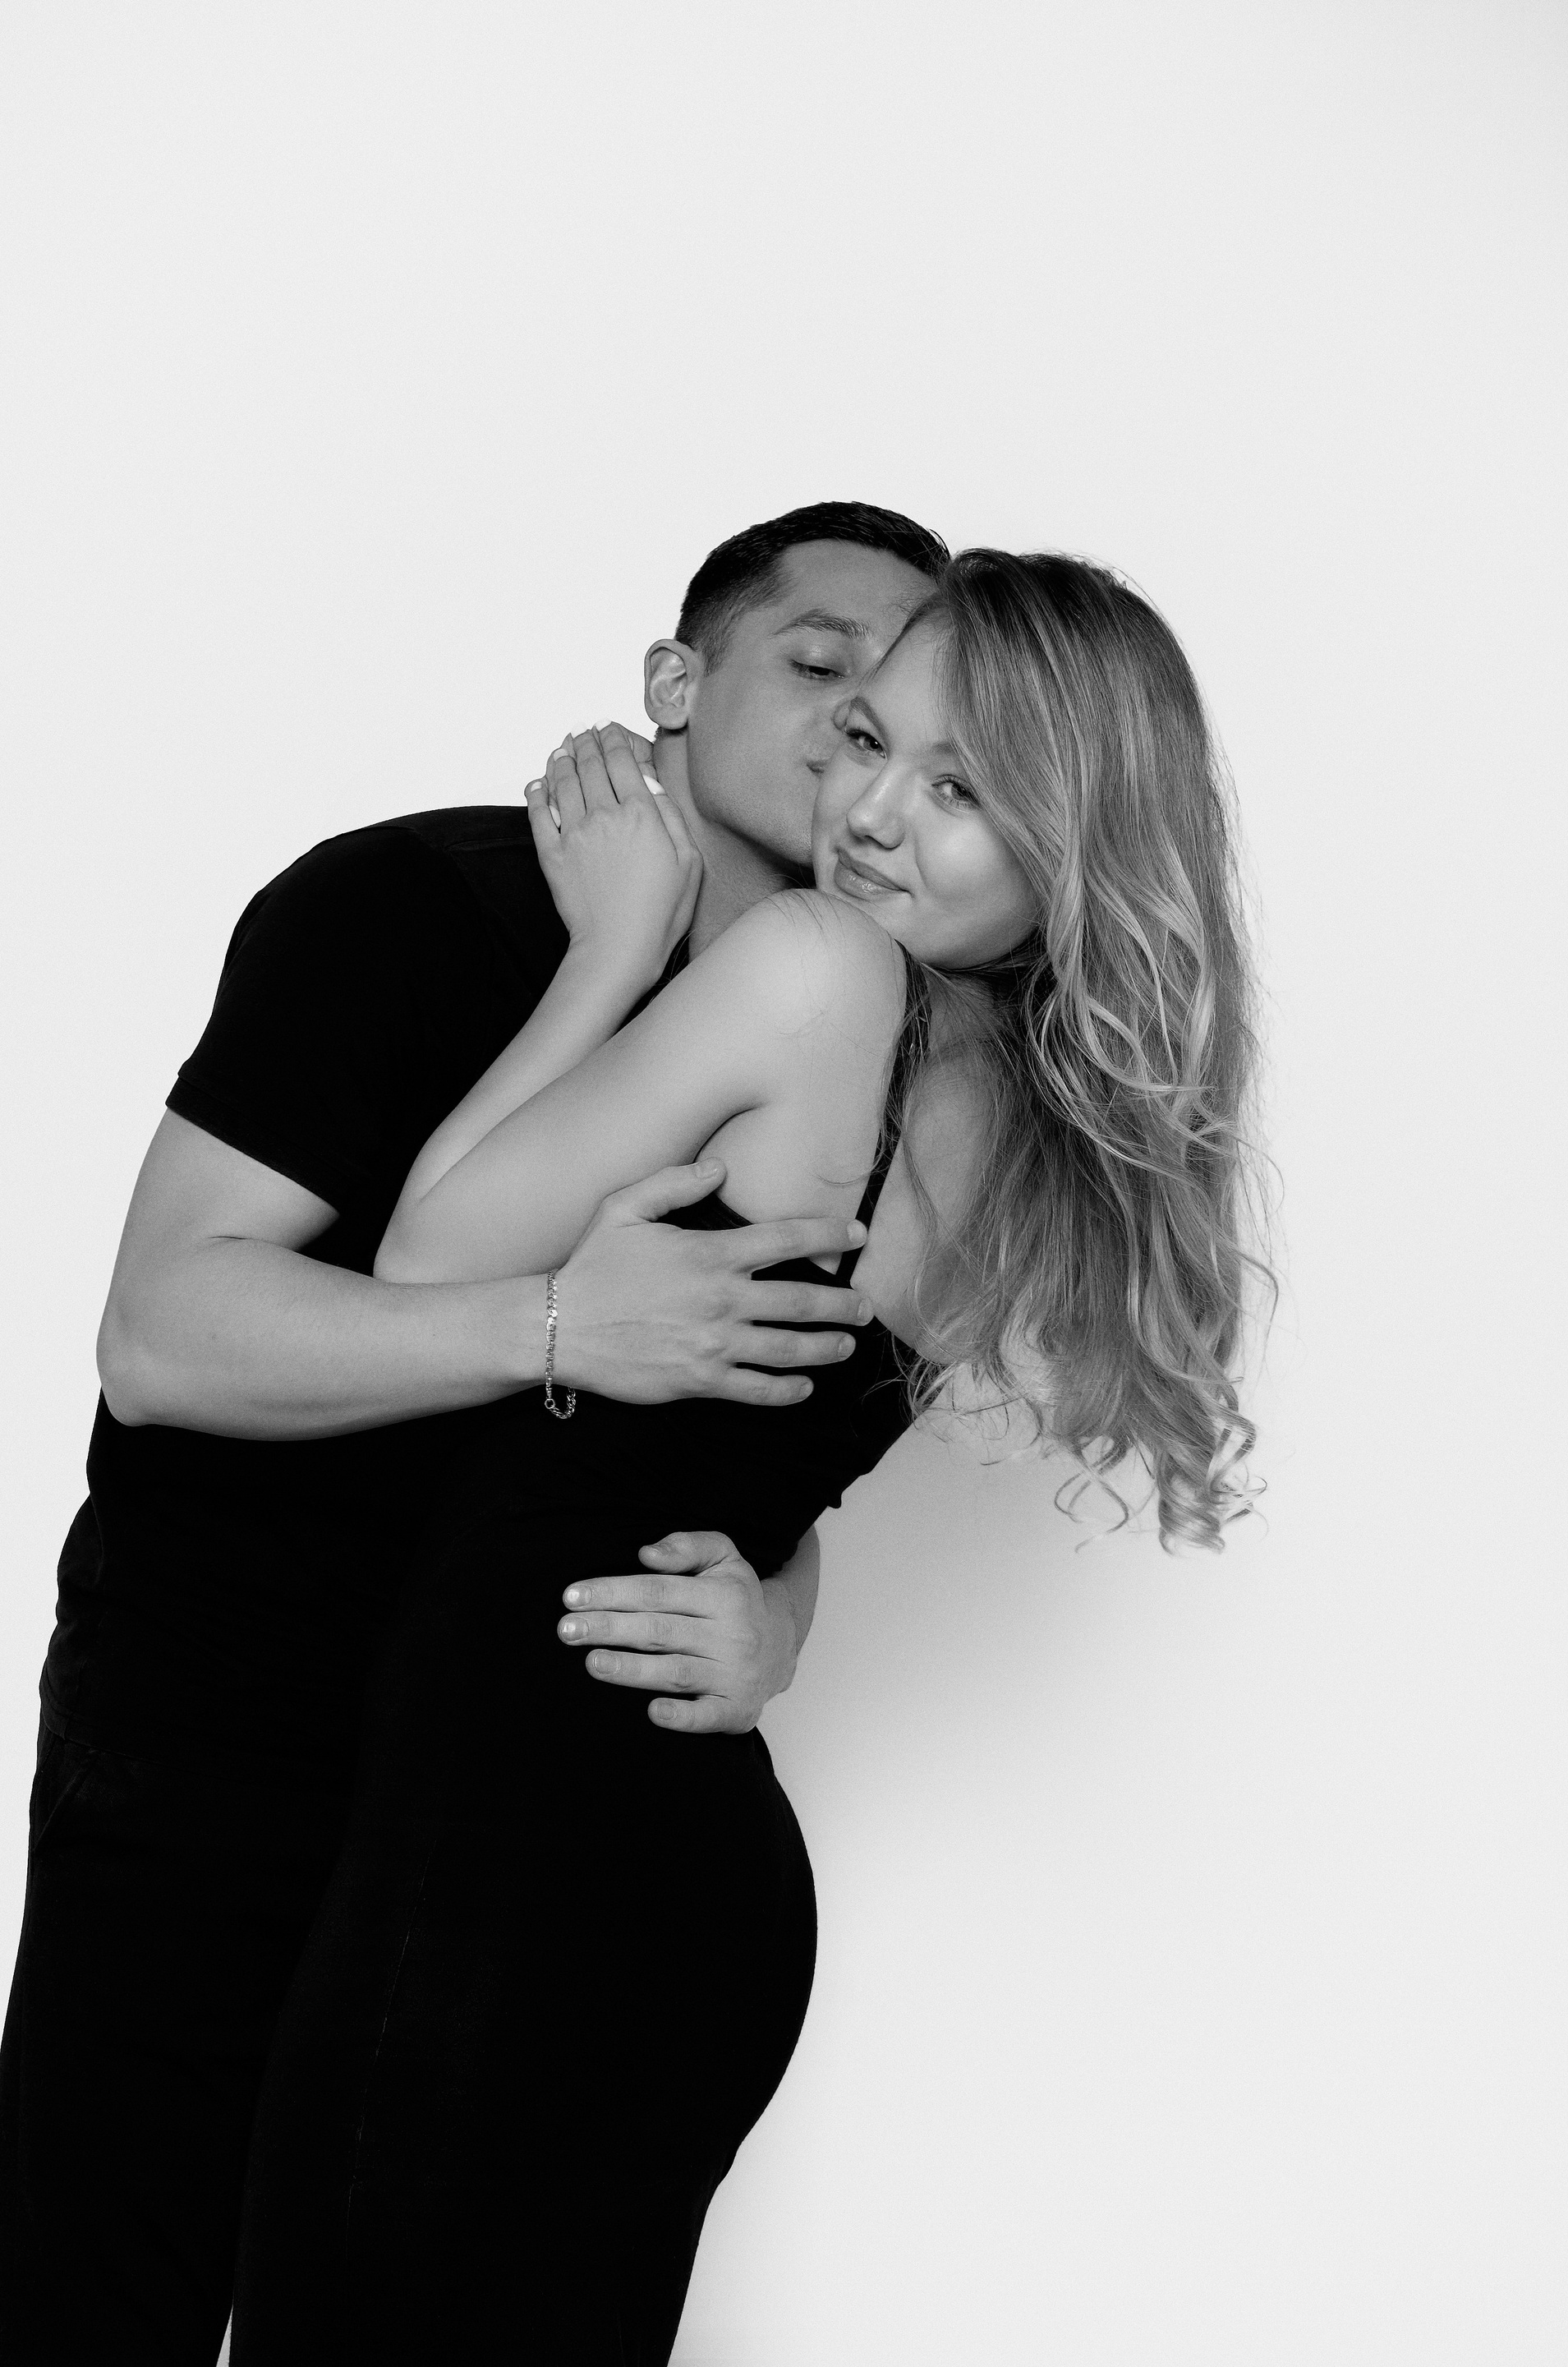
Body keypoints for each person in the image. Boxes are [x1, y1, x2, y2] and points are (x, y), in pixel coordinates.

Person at [227, 548, 1263, 2364]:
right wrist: (782, 1602)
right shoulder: (1033, 1126)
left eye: (961, 790)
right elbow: (748, 1460)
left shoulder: (809, 972)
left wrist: (612, 952)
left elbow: (426, 1257)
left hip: (510, 1830)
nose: (871, 813)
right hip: (694, 1880)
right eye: (868, 740)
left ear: (1071, 843)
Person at [0, 501, 952, 2365]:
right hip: (218, 1748)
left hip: (503, 1817)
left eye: (911, 707)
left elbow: (759, 1416)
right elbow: (162, 1333)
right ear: (674, 680)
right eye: (821, 664)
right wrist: (553, 1325)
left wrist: (774, 1614)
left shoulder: (857, 1016)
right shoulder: (406, 903)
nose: (861, 727)